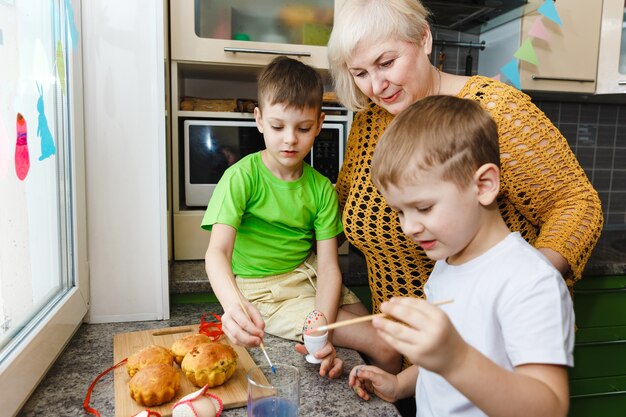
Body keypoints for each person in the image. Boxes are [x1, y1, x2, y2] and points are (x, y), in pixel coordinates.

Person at [327, 0, 602, 351]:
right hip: (406, 357)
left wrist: (524, 284)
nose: (377, 86)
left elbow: (576, 203)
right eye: (360, 73)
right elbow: (340, 204)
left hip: (490, 346)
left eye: (386, 62)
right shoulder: (369, 122)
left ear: (424, 39)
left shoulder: (497, 110)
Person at [349, 95, 575, 417]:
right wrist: (399, 384)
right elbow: (442, 367)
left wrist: (455, 359)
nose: (409, 227)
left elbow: (548, 408)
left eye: (424, 207)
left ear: (483, 185)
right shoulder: (447, 263)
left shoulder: (531, 281)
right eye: (399, 211)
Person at [202, 56, 400, 378]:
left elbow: (327, 267)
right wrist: (234, 306)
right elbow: (217, 252)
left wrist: (320, 318)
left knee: (380, 335)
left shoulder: (322, 189)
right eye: (278, 126)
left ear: (319, 124)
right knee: (385, 346)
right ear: (260, 119)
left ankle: (380, 391)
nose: (290, 139)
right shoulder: (241, 177)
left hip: (308, 275)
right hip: (264, 292)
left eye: (303, 128)